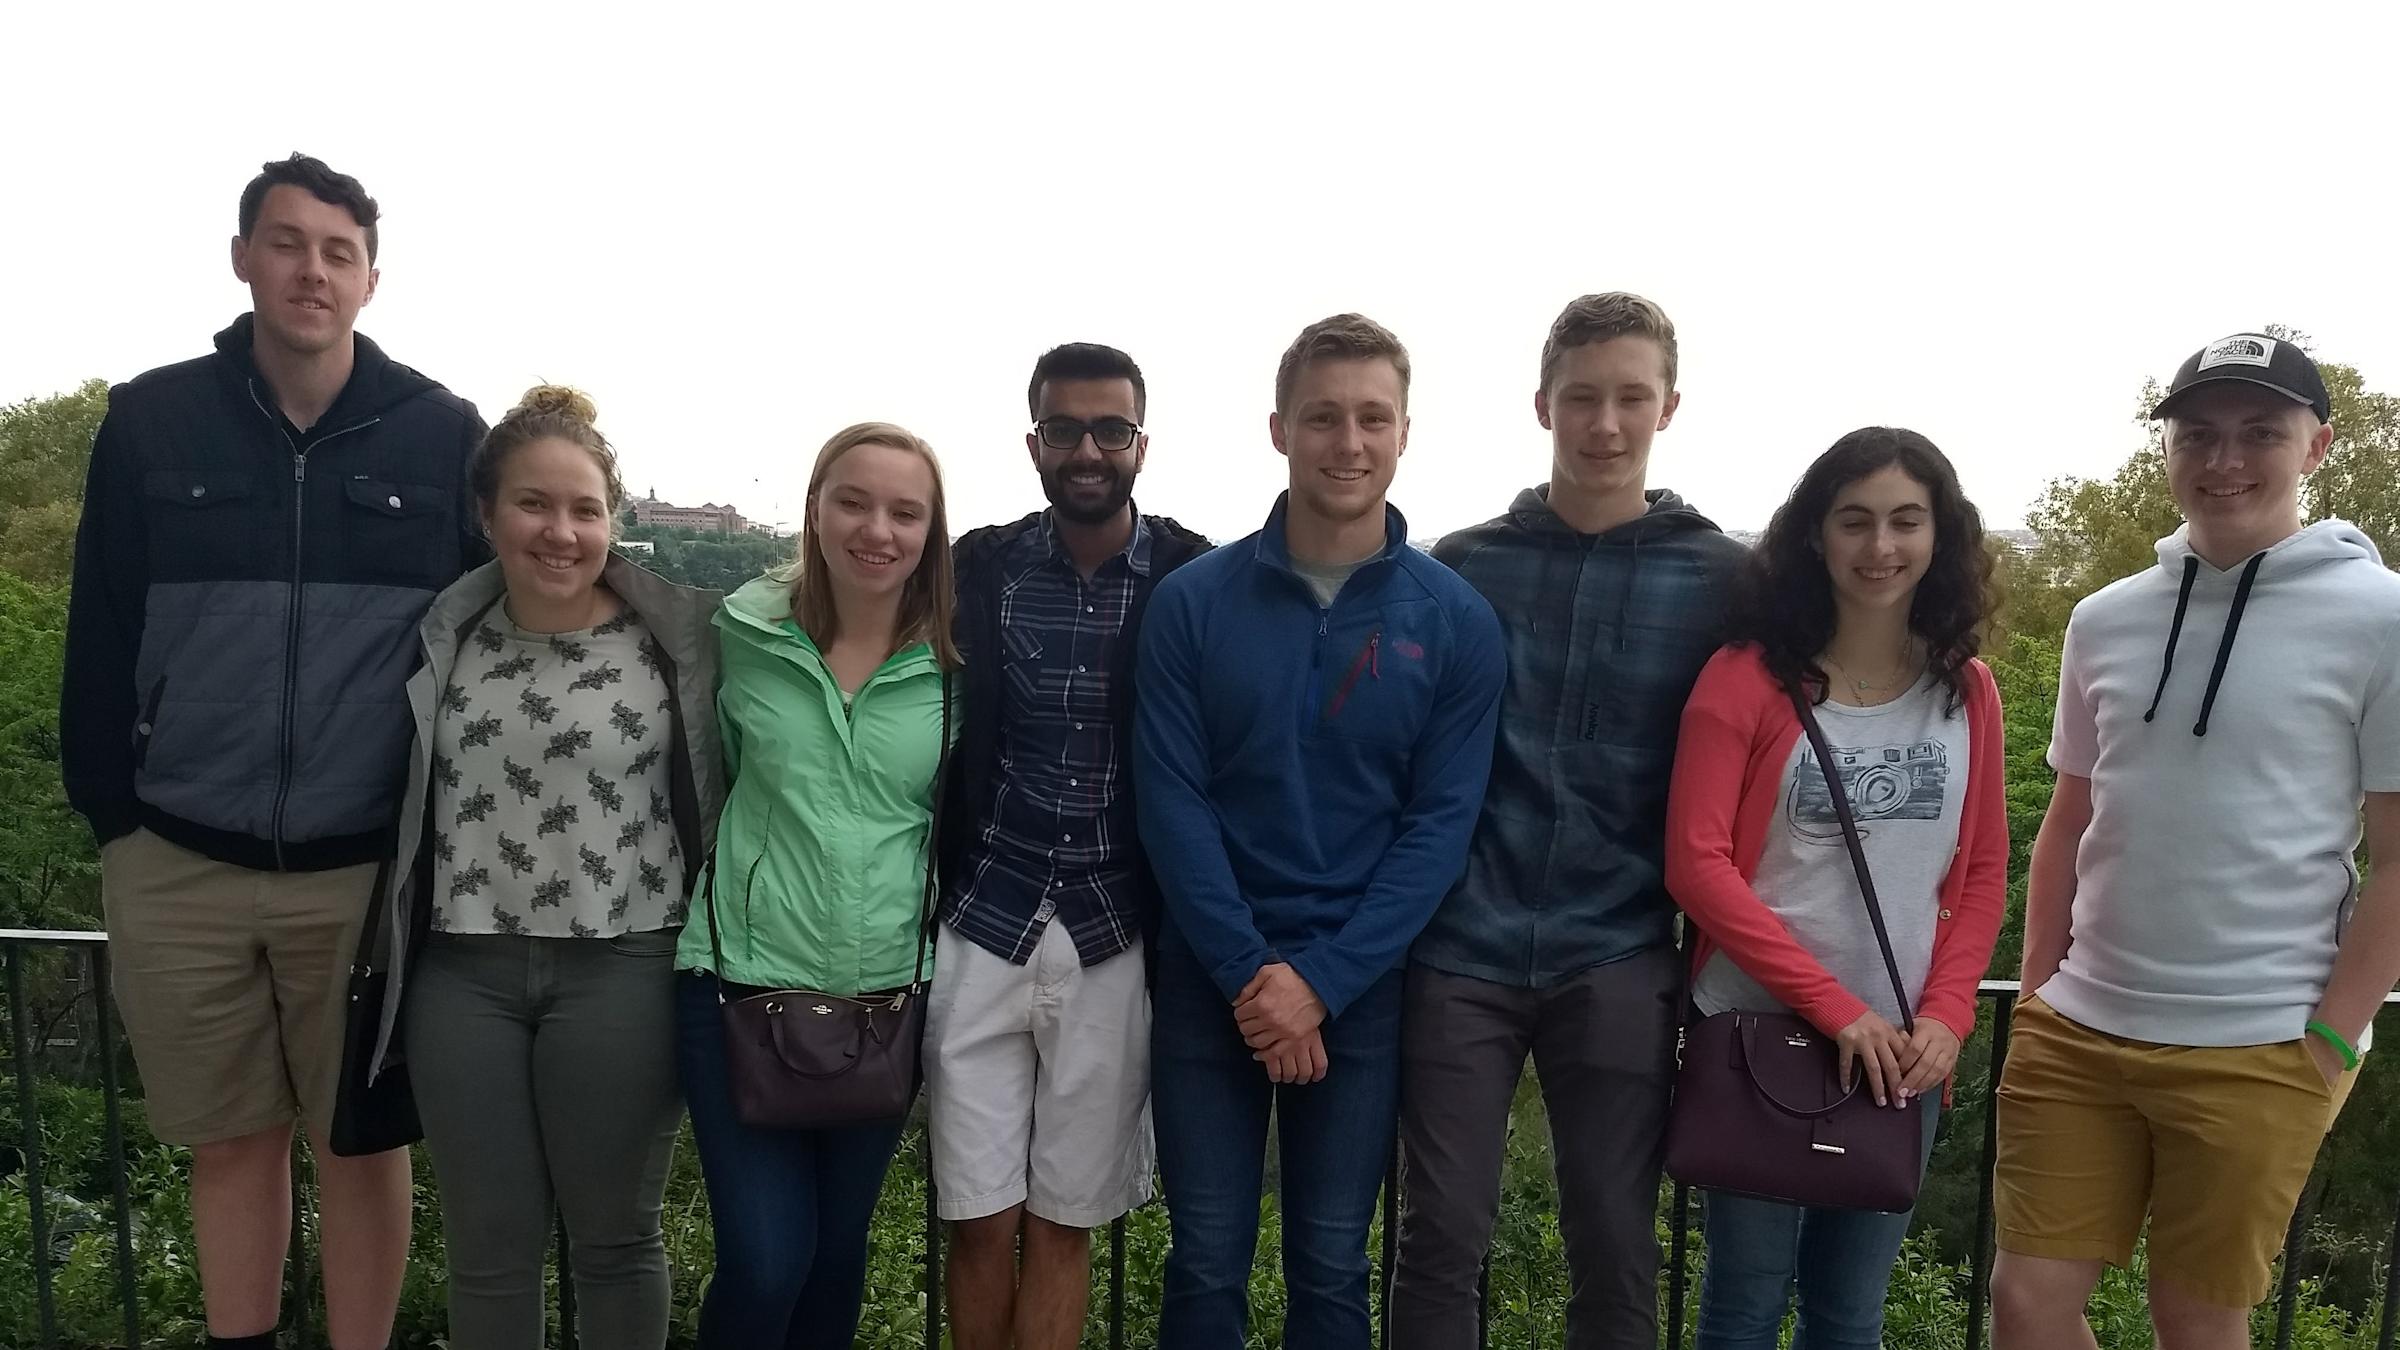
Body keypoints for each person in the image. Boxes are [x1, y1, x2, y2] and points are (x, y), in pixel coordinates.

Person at [58, 153, 485, 1350]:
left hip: (359, 870)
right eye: (288, 243)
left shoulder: (442, 432)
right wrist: (116, 816)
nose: (312, 270)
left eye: (337, 252)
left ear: (371, 280)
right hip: (178, 858)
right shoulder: (151, 416)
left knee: (361, 1144)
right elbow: (100, 622)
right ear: (243, 258)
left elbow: (495, 635)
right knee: (230, 1140)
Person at [1991, 334, 2400, 1350]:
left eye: (2260, 432)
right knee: (2026, 1307)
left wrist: (2334, 1038)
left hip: (2263, 1041)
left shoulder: (2382, 618)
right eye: (2197, 434)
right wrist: (2038, 988)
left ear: (2317, 448)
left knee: (2197, 1323)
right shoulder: (2103, 619)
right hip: (2078, 1033)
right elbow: (2071, 819)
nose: (2224, 461)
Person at [1135, 313, 1506, 1349]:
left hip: (1364, 991)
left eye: (1371, 418)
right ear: (1279, 430)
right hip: (1212, 985)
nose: (1349, 441)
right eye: (1324, 417)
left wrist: (1323, 985)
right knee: (1204, 1262)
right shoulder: (1192, 605)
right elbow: (1172, 801)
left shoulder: (1456, 621)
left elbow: (1439, 829)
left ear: (1403, 434)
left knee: (1334, 1270)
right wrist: (1254, 977)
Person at [1395, 292, 1749, 1350]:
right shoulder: (1462, 568)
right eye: (1583, 398)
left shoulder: (1728, 579)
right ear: (1543, 403)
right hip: (1462, 947)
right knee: (1442, 1234)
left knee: (1615, 1238)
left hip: (1621, 951)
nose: (1605, 425)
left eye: (1630, 398)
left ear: (1669, 407)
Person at [359, 387, 722, 1349]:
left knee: (614, 1244)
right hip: (461, 976)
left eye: (585, 510)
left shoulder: (674, 642)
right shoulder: (446, 636)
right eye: (534, 505)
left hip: (624, 967)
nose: (560, 532)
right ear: (487, 515)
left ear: (613, 519)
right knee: (488, 1251)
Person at [1663, 427, 2008, 1349]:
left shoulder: (1965, 690)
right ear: (1814, 534)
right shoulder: (1745, 681)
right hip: (1758, 1036)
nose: (1881, 547)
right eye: (1854, 521)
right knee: (1742, 1305)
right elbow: (1697, 865)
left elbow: (1978, 874)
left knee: (1849, 1314)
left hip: (1902, 1054)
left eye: (1906, 521)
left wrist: (1947, 1017)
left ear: (1941, 536)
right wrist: (1832, 1008)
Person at [930, 343, 1211, 1349]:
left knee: (1063, 1223)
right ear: (1034, 439)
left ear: (1141, 442)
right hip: (983, 917)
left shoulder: (1195, 576)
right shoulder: (978, 569)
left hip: (1113, 930)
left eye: (1110, 430)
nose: (1087, 449)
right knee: (976, 1218)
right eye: (1064, 429)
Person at [673, 421, 959, 1348]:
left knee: (836, 1266)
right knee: (764, 1262)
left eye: (904, 511)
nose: (878, 529)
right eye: (854, 500)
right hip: (738, 986)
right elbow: (703, 777)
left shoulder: (954, 670)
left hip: (882, 1002)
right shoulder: (742, 634)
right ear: (815, 509)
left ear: (930, 532)